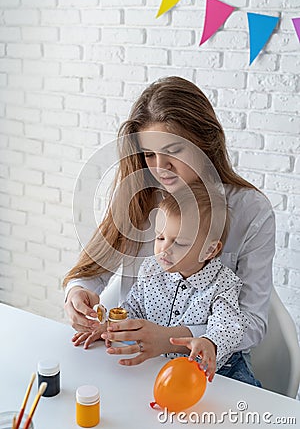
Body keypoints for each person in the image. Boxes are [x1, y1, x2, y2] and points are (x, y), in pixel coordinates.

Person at [64, 76, 275, 372]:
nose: (160, 168)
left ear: (205, 143)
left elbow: (251, 323)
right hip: (135, 361)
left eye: (173, 152)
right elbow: (91, 273)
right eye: (150, 154)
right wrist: (77, 295)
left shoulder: (250, 209)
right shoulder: (139, 196)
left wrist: (172, 339)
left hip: (212, 368)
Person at [114, 183, 260, 386]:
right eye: (160, 237)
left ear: (209, 250)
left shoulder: (223, 282)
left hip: (218, 371)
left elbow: (229, 326)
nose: (164, 248)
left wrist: (209, 342)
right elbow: (133, 308)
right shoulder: (150, 269)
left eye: (179, 243)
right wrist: (111, 325)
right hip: (163, 367)